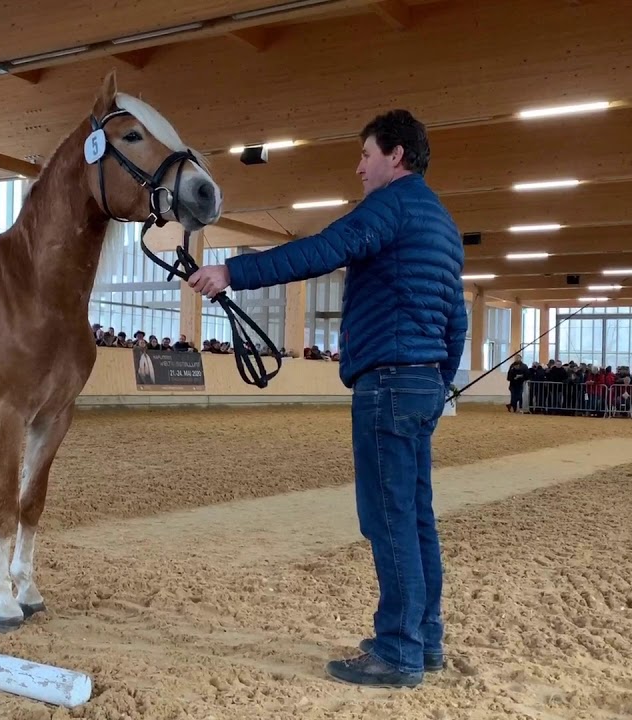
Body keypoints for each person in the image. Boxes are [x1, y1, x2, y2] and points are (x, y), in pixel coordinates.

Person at [188, 109, 467, 688]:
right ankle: (425, 637)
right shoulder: (441, 222)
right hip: (421, 383)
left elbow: (322, 250)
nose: (360, 168)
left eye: (366, 155)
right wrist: (440, 382)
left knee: (388, 519)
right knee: (416, 519)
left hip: (387, 383)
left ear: (396, 156)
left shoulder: (390, 207)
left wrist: (232, 273)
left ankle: (396, 651)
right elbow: (456, 319)